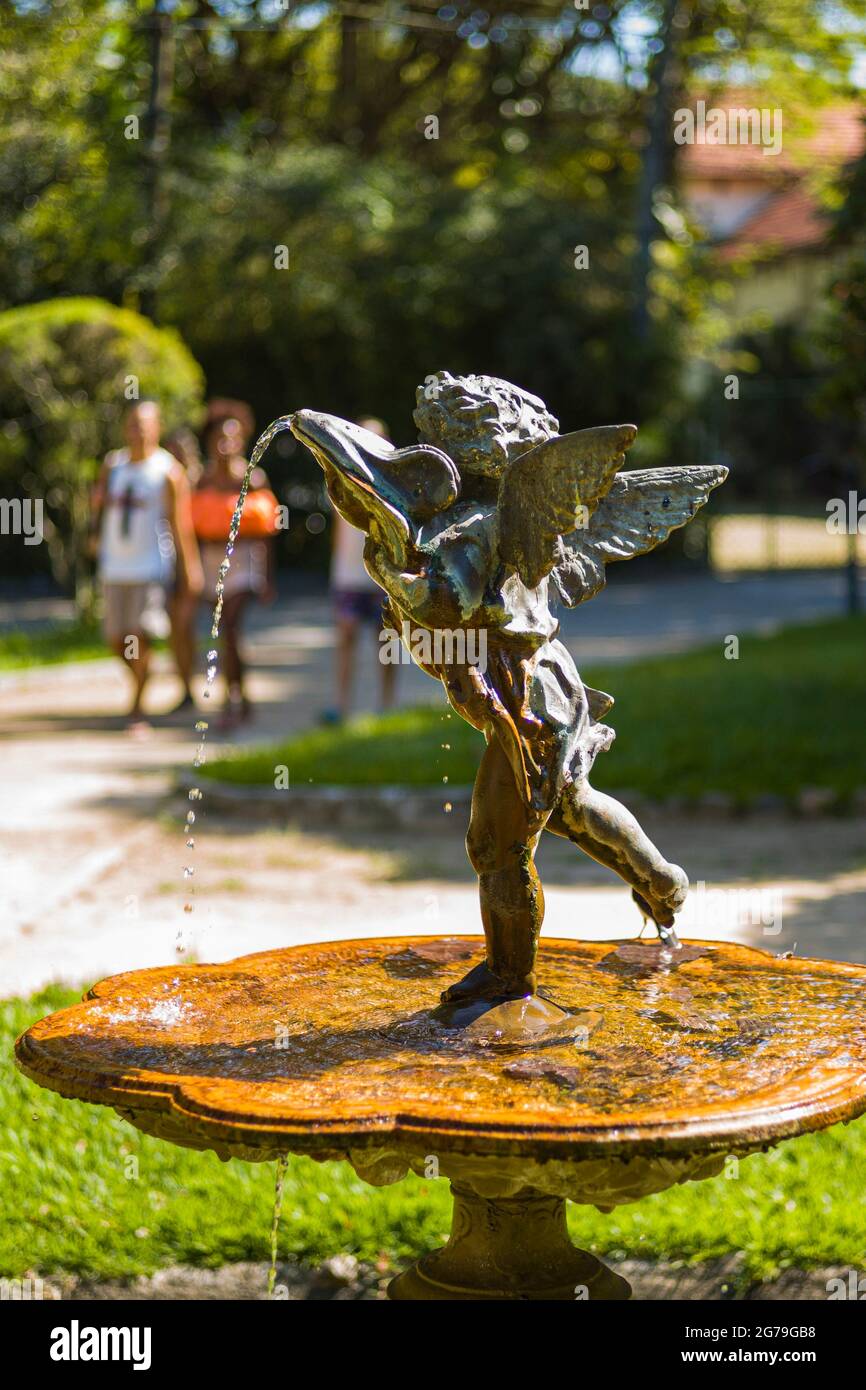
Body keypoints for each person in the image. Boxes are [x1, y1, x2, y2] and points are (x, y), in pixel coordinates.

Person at [93, 400, 203, 732]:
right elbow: (100, 509)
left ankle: (137, 708)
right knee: (116, 638)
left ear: (157, 428)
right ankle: (144, 676)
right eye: (132, 424)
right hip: (115, 568)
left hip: (151, 568)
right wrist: (94, 537)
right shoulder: (113, 465)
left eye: (144, 425)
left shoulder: (168, 471)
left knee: (139, 636)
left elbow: (180, 525)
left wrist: (190, 571)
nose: (138, 431)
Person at [192, 400, 278, 731]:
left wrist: (269, 578)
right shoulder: (200, 479)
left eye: (233, 437)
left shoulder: (254, 478)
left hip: (244, 561)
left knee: (229, 624)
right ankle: (243, 694)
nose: (226, 444)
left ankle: (231, 700)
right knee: (229, 632)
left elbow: (269, 532)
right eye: (220, 437)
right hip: (212, 561)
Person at [324, 416, 396, 724]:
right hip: (349, 576)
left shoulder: (392, 480)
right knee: (346, 637)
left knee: (386, 643)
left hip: (381, 577)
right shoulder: (341, 475)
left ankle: (386, 705)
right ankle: (341, 705)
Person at [163, 426, 204, 713]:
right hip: (169, 560)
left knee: (187, 626)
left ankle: (195, 682)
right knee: (177, 629)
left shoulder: (201, 481)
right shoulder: (163, 480)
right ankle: (186, 685)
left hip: (198, 558)